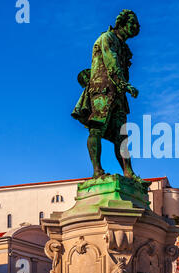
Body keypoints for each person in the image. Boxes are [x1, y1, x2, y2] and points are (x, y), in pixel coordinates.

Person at [72, 9, 141, 180]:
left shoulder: (124, 48)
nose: (136, 27)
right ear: (123, 23)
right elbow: (111, 62)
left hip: (118, 93)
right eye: (133, 23)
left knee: (122, 136)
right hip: (102, 90)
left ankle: (129, 172)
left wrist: (123, 86)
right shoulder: (107, 38)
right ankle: (97, 170)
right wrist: (125, 85)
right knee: (97, 128)